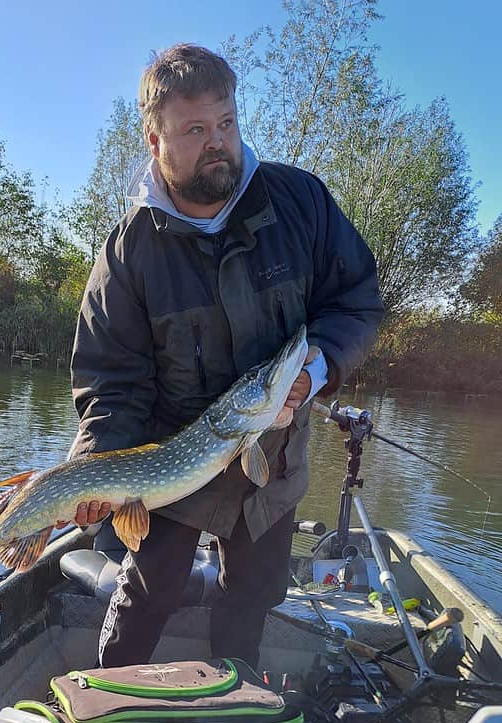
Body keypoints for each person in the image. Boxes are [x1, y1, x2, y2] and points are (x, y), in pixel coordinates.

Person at [67, 43, 383, 670]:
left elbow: (356, 302)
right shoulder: (128, 256)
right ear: (156, 142)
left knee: (254, 598)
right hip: (169, 468)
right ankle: (110, 706)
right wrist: (96, 470)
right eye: (195, 129)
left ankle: (231, 707)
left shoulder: (300, 203)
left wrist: (315, 371)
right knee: (146, 596)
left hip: (273, 460)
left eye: (226, 123)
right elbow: (112, 385)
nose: (218, 142)